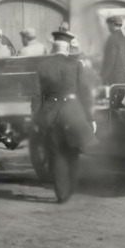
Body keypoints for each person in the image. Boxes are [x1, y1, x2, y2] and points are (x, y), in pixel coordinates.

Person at [33, 30, 95, 203]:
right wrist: (90, 118)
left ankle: (61, 194)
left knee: (57, 154)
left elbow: (36, 95)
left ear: (54, 47)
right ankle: (70, 191)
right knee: (73, 153)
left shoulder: (43, 66)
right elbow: (85, 93)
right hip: (73, 112)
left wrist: (36, 119)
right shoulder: (76, 65)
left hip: (51, 114)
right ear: (67, 48)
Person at [100, 15, 125, 85]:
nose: (107, 28)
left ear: (113, 24)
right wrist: (120, 70)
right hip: (124, 80)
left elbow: (109, 63)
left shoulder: (111, 39)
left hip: (112, 82)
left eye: (108, 25)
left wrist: (102, 78)